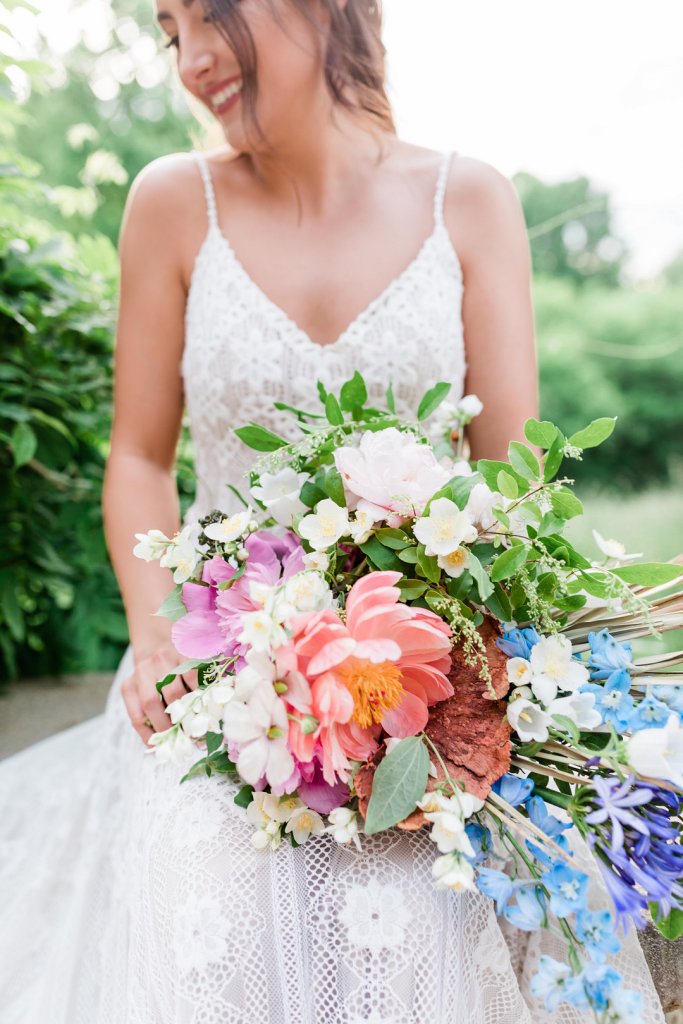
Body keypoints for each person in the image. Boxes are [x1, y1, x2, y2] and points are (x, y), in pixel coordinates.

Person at [0, 1, 666, 1021]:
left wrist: (460, 687)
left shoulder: (468, 200)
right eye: (169, 28)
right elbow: (136, 457)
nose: (192, 59)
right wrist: (152, 642)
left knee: (418, 909)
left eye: (209, 14)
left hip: (418, 688)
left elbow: (511, 482)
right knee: (202, 885)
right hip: (220, 680)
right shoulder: (171, 203)